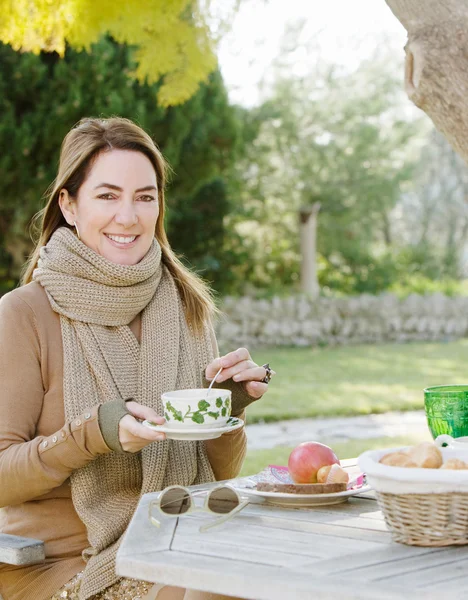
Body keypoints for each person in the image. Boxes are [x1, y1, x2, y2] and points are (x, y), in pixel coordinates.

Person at [0, 117, 274, 600]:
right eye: (107, 196)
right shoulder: (24, 314)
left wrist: (225, 409)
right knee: (222, 590)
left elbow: (218, 474)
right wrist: (95, 432)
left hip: (181, 539)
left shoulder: (185, 304)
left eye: (145, 197)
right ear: (68, 205)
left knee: (288, 572)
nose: (128, 216)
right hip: (60, 565)